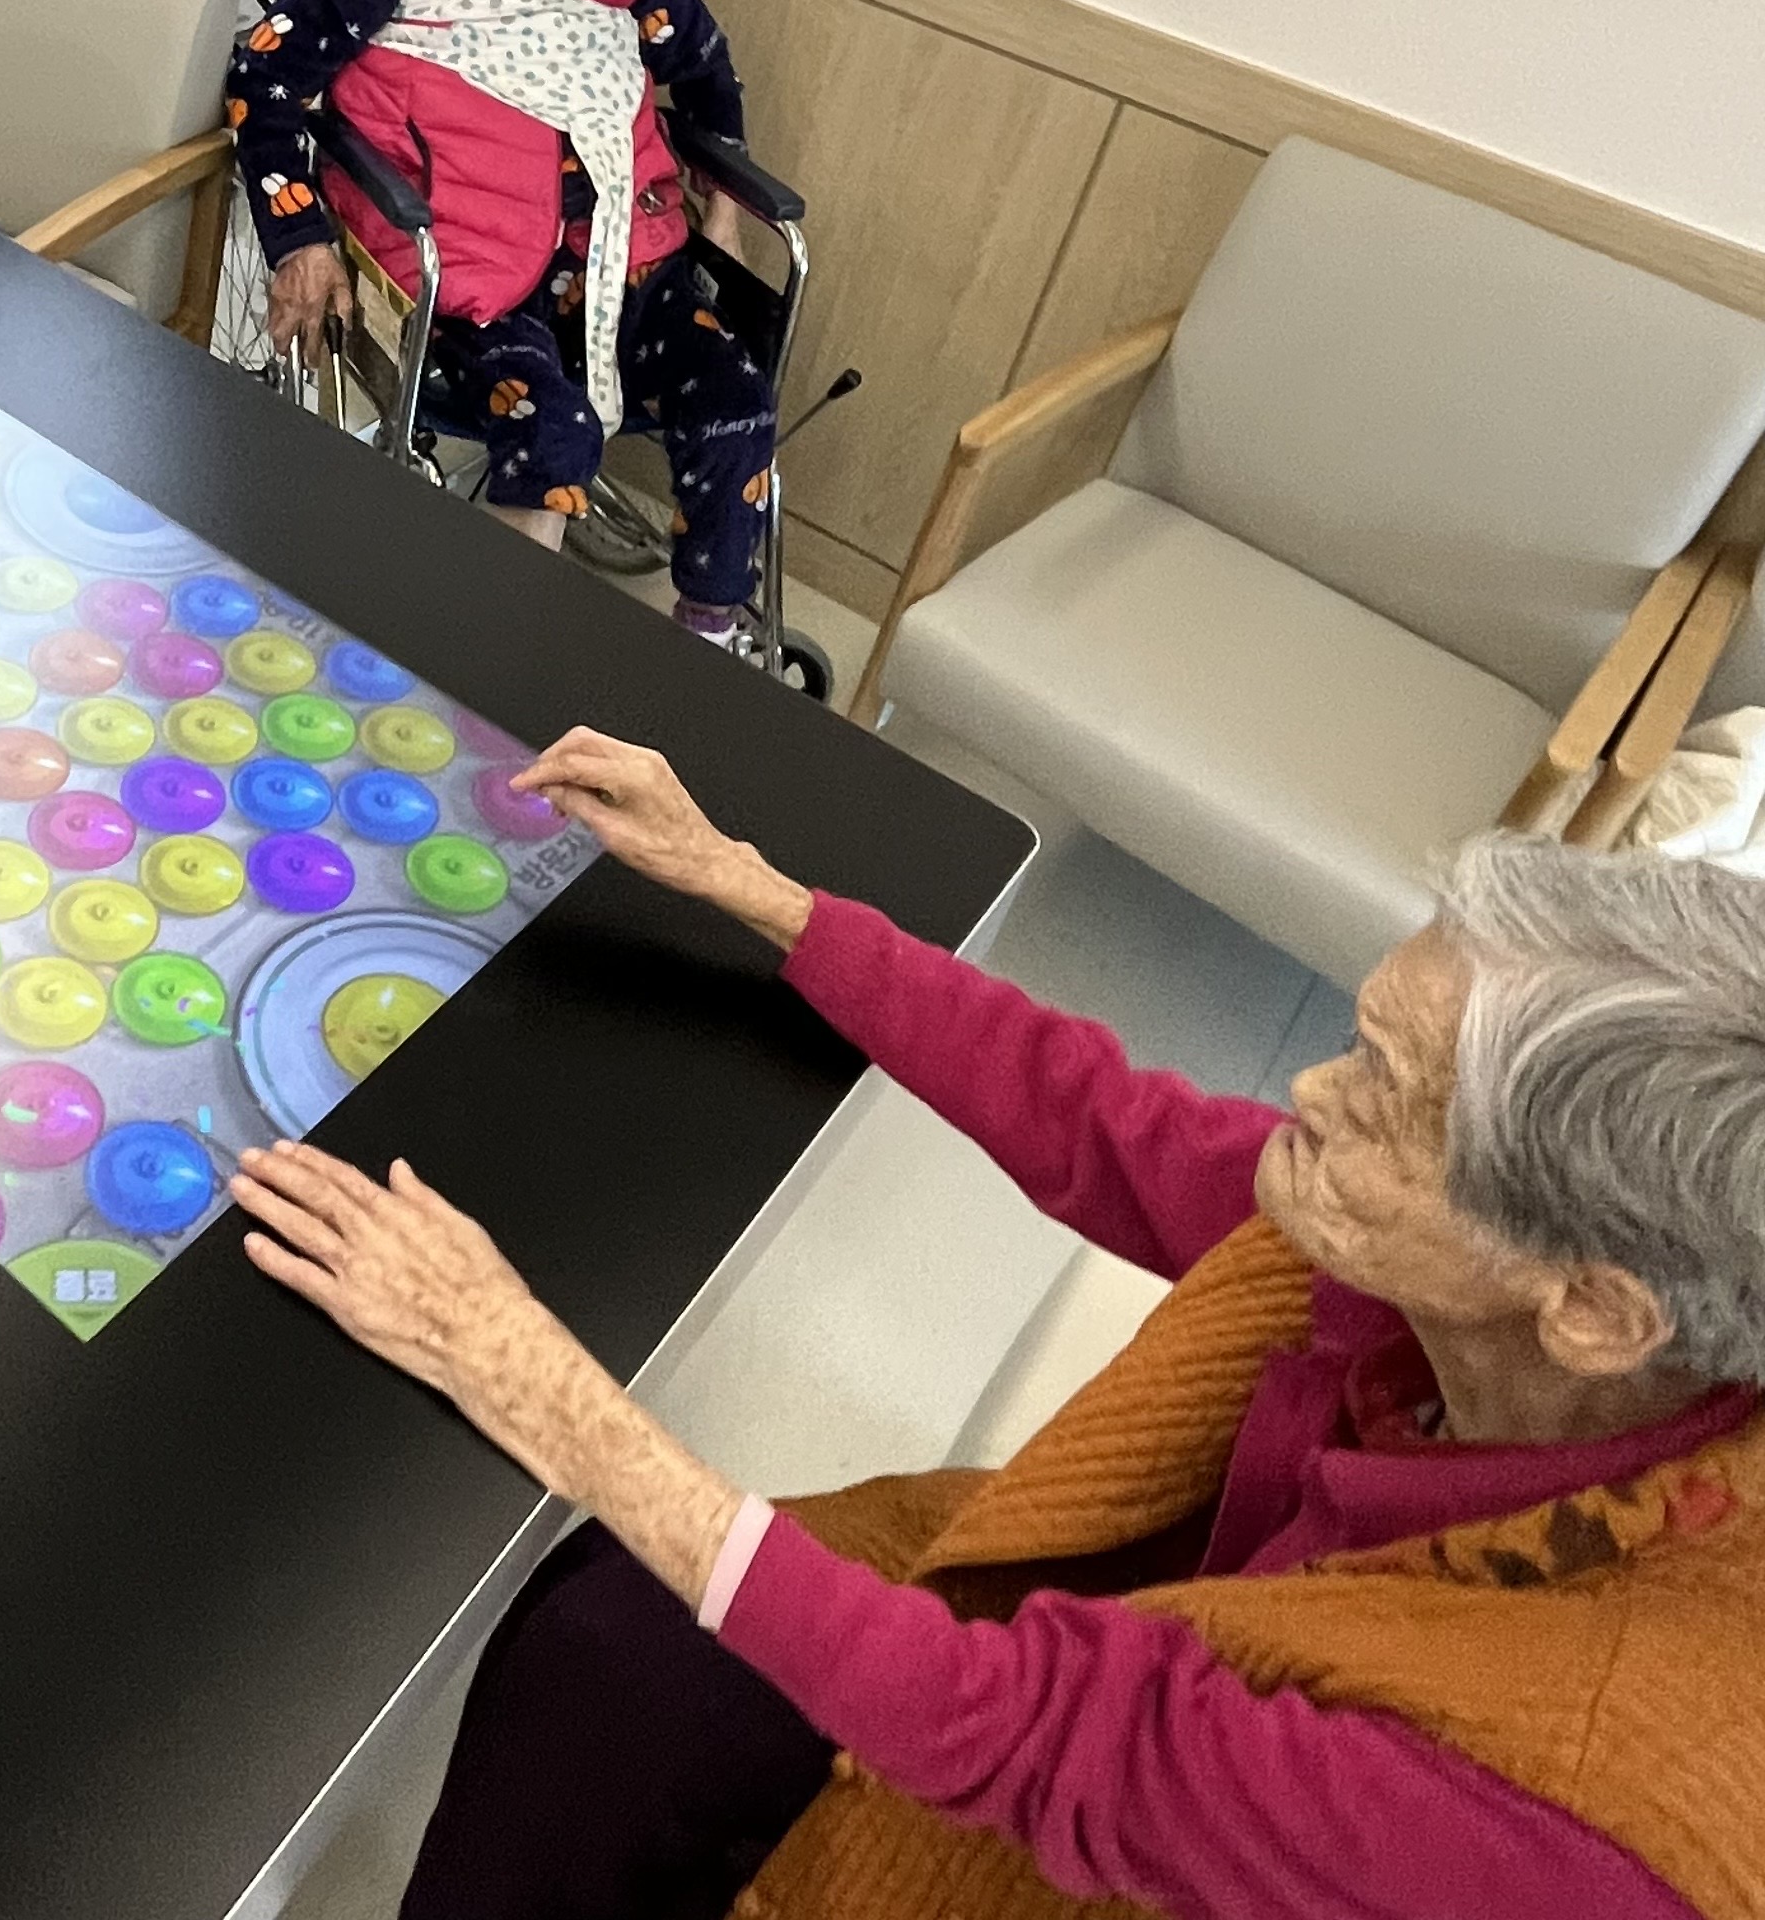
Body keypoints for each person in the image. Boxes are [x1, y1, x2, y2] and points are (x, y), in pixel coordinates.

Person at [231, 728, 1765, 1920]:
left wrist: (541, 1387)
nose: (1310, 1091)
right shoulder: (1456, 1270)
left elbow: (1031, 1733)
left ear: (1595, 1304)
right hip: (1148, 1624)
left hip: (1159, 1798)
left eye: (1384, 1095)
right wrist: (753, 886)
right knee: (613, 1640)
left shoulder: (1565, 1817)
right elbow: (1109, 1125)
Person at [231, 0, 777, 641]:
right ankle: (496, 653)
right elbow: (265, 81)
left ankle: (710, 637)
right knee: (554, 433)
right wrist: (300, 239)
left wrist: (722, 206)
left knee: (738, 403)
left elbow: (702, 68)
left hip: (624, 256)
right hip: (469, 274)